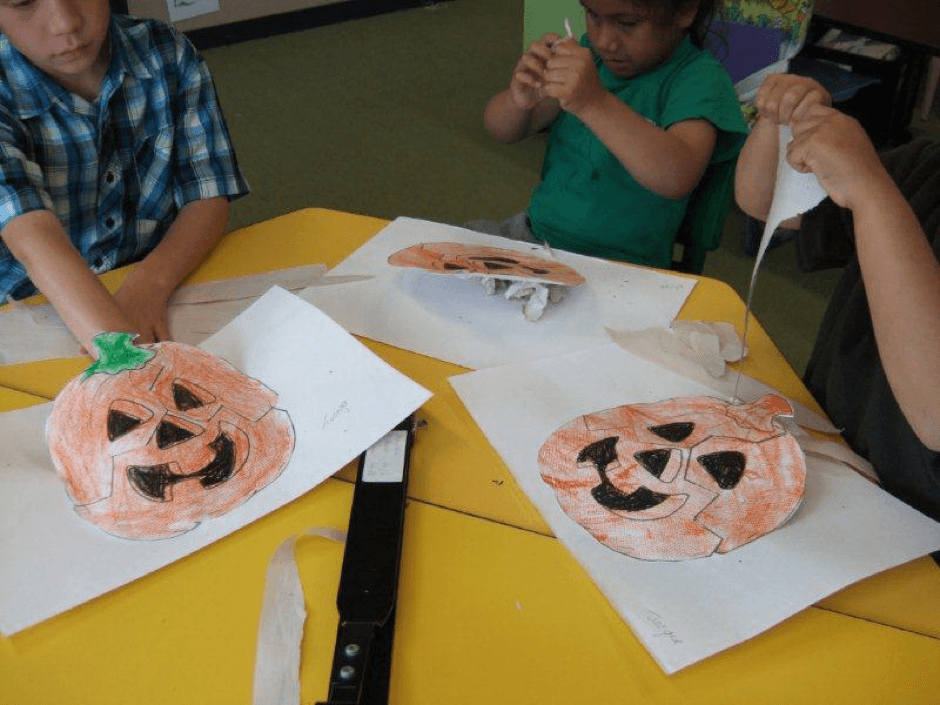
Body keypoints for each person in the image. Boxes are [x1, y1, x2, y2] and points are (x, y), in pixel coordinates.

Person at [735, 73, 940, 522]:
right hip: (829, 464)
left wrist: (870, 190)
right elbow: (763, 201)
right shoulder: (927, 167)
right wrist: (779, 122)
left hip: (912, 529)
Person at [0, 0, 249, 355]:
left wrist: (148, 286)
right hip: (28, 306)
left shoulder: (167, 51)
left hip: (160, 278)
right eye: (24, 2)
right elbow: (31, 237)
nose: (65, 23)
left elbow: (207, 195)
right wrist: (122, 358)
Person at [479, 0, 747, 268]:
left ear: (686, 10)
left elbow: (677, 176)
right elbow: (501, 130)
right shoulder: (588, 57)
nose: (604, 41)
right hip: (533, 237)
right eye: (593, 16)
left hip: (621, 268)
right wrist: (519, 100)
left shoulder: (699, 80)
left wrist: (594, 102)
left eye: (627, 24)